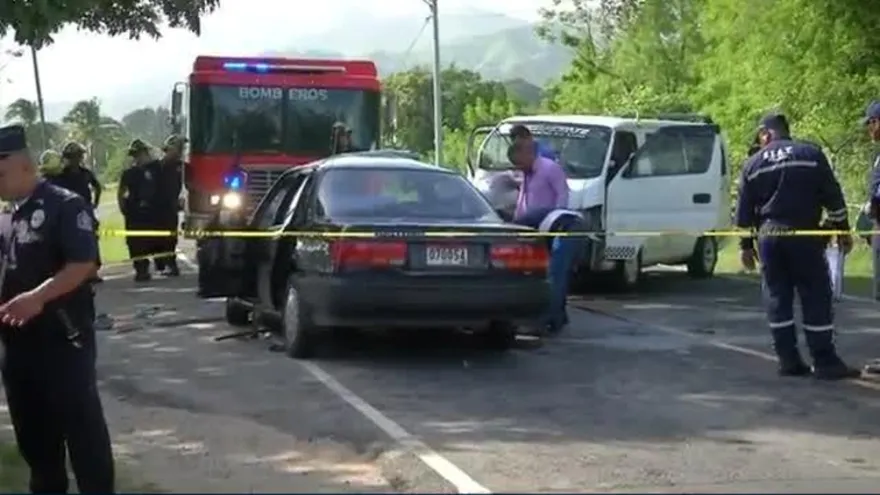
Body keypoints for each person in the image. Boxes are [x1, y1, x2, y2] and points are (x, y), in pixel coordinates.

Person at [0, 124, 115, 493]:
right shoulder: (7, 216)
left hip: (63, 342)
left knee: (83, 435)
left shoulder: (64, 205)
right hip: (18, 348)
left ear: (24, 166)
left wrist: (37, 297)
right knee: (35, 440)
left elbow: (84, 263)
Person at [735, 112, 860, 380]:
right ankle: (824, 361)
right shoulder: (811, 154)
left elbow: (744, 213)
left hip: (770, 237)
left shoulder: (753, 163)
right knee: (815, 294)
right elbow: (834, 198)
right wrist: (843, 231)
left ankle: (788, 360)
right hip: (805, 233)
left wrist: (745, 246)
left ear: (766, 134)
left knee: (777, 297)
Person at [508, 139, 574, 332]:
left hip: (562, 226)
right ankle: (558, 316)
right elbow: (524, 202)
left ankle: (549, 319)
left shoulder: (550, 169)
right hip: (537, 228)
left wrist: (552, 225)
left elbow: (563, 198)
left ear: (527, 154)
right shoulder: (527, 174)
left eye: (518, 162)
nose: (518, 167)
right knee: (544, 273)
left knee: (556, 273)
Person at [48, 142, 104, 283]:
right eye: (72, 156)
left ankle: (93, 272)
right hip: (70, 212)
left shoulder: (85, 173)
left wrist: (95, 203)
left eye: (78, 156)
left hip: (86, 210)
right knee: (73, 242)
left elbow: (97, 186)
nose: (76, 159)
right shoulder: (61, 176)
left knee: (91, 240)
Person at [118, 139, 160, 282]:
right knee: (135, 242)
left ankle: (153, 265)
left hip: (150, 211)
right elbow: (121, 192)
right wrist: (123, 208)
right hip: (134, 211)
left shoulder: (155, 169)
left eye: (142, 153)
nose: (140, 156)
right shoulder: (129, 173)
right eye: (138, 154)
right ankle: (141, 269)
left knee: (151, 239)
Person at [509, 137, 569, 220]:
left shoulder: (551, 168)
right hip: (527, 223)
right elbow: (522, 199)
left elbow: (563, 195)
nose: (518, 167)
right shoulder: (526, 172)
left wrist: (555, 220)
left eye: (520, 163)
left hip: (546, 222)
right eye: (515, 164)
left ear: (529, 154)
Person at [153, 135, 185, 276]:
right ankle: (161, 263)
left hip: (171, 207)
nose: (180, 151)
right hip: (158, 207)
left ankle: (171, 265)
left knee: (171, 237)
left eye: (181, 148)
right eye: (177, 148)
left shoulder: (182, 167)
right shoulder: (157, 167)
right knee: (158, 237)